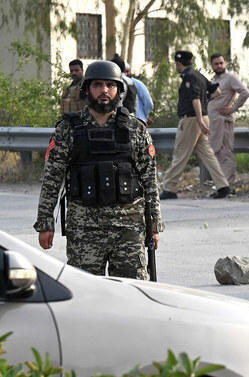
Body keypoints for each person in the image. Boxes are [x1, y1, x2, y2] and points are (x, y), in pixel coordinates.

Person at [34, 60, 163, 280]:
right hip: (84, 229)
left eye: (110, 85)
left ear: (118, 90)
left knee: (132, 296)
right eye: (97, 85)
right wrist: (45, 223)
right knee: (85, 296)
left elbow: (149, 179)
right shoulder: (68, 129)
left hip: (128, 228)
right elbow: (52, 178)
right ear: (87, 89)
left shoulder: (135, 129)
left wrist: (155, 224)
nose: (104, 91)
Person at [160, 50, 231, 200]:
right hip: (203, 118)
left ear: (179, 63)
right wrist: (205, 105)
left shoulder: (189, 77)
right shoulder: (198, 75)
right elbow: (217, 91)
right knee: (207, 154)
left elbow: (195, 99)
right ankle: (223, 186)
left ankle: (169, 188)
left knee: (180, 153)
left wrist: (199, 118)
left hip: (192, 120)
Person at [207, 53, 249, 185]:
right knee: (216, 152)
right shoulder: (213, 80)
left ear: (225, 63)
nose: (219, 66)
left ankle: (228, 183)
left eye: (221, 63)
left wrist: (233, 108)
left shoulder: (230, 78)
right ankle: (221, 184)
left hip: (223, 121)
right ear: (212, 65)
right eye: (216, 64)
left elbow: (245, 92)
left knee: (225, 151)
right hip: (213, 122)